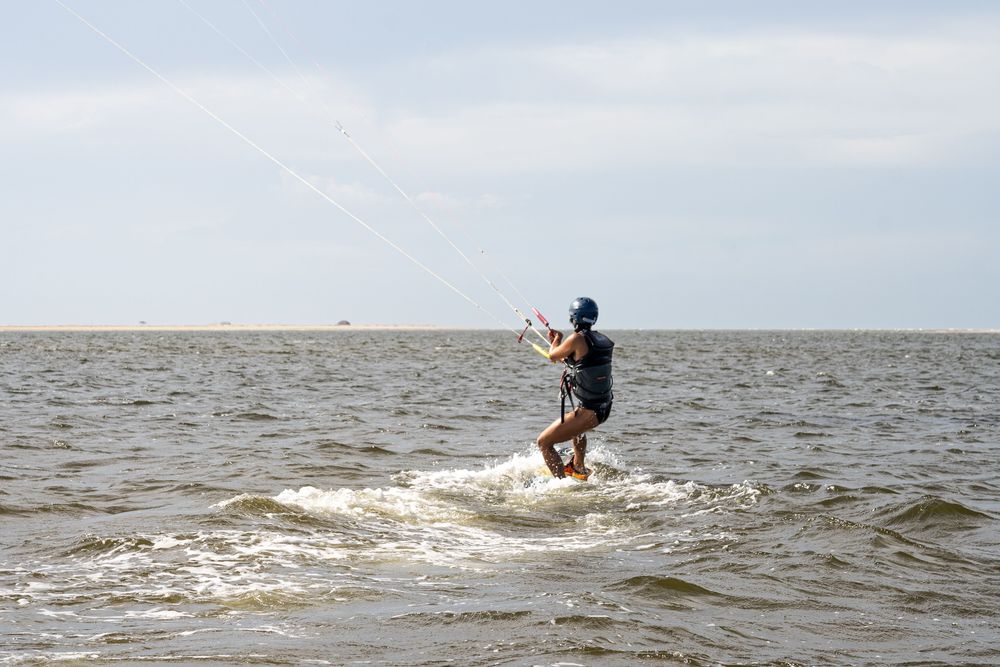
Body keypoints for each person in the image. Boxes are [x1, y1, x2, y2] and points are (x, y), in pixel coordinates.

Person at [536, 297, 614, 480]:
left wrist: (557, 339)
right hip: (604, 408)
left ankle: (561, 483)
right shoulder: (603, 340)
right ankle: (578, 467)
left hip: (590, 412)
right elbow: (585, 360)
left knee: (544, 443)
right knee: (576, 428)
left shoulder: (577, 338)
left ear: (574, 318)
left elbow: (552, 355)